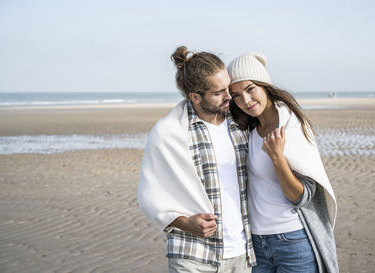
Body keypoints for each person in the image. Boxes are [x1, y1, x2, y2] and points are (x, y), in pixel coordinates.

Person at [138, 46, 256, 273]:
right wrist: (185, 223)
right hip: (193, 256)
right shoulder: (169, 132)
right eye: (218, 92)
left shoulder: (241, 122)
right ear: (195, 97)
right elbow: (149, 196)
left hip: (243, 253)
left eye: (228, 87)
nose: (229, 96)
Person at [227, 53, 339, 273]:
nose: (245, 101)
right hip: (256, 244)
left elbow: (301, 196)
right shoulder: (247, 130)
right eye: (236, 95)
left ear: (265, 85)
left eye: (250, 89)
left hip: (292, 242)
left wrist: (277, 158)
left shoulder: (292, 126)